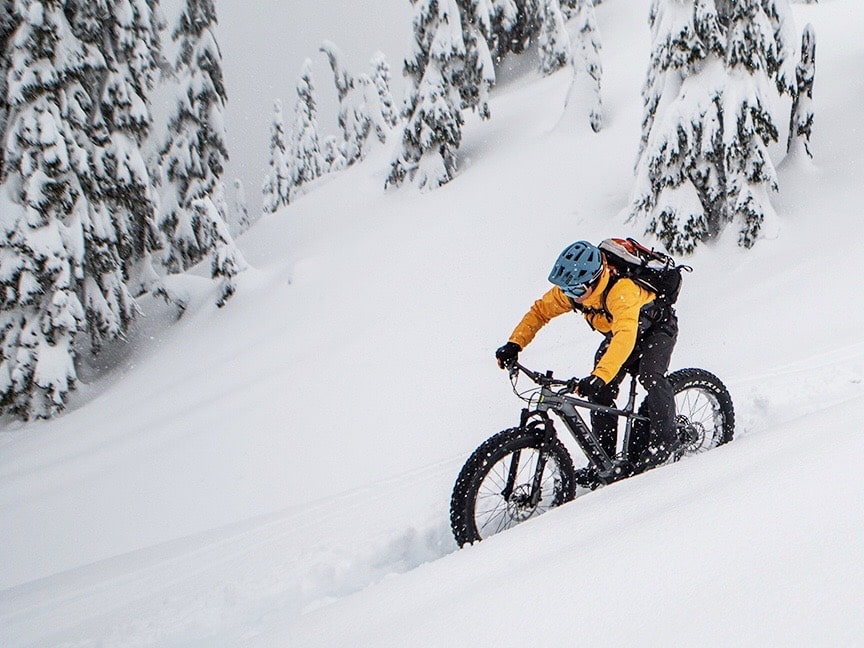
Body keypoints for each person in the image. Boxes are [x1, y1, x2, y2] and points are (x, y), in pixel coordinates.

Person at [495, 240, 679, 473]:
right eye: (567, 290)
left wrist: (599, 376)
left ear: (595, 279)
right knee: (601, 394)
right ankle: (604, 461)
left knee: (650, 375)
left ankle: (666, 441)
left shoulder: (621, 291)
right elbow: (540, 311)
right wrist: (514, 343)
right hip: (624, 332)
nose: (572, 296)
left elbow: (624, 336)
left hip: (656, 328)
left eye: (577, 291)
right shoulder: (574, 290)